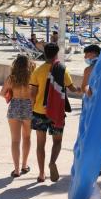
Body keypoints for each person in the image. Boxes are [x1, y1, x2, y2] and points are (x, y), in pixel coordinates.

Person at [29, 43, 80, 183]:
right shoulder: (62, 70)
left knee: (40, 144)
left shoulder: (37, 71)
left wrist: (32, 108)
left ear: (44, 54)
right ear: (57, 54)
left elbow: (32, 94)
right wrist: (81, 89)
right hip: (56, 112)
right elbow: (72, 88)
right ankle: (52, 162)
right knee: (57, 141)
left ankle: (41, 173)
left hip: (39, 112)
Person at [0, 55, 34, 177]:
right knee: (27, 137)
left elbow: (2, 93)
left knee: (15, 140)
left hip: (14, 106)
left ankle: (16, 170)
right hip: (28, 107)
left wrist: (10, 95)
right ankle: (24, 165)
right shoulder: (32, 77)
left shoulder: (11, 78)